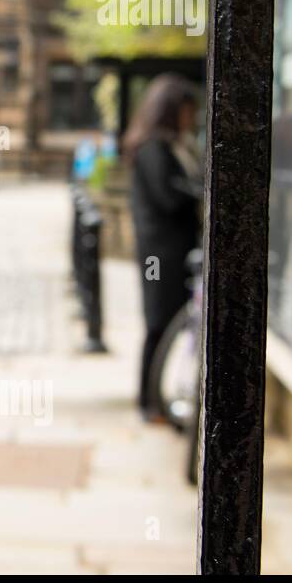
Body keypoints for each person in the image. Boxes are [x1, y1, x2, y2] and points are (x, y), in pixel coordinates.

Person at [124, 74, 201, 421]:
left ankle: (152, 400)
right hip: (161, 253)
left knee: (166, 323)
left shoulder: (169, 146)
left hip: (171, 250)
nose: (191, 118)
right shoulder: (154, 148)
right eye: (186, 111)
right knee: (159, 323)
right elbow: (169, 198)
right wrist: (198, 194)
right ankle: (147, 402)